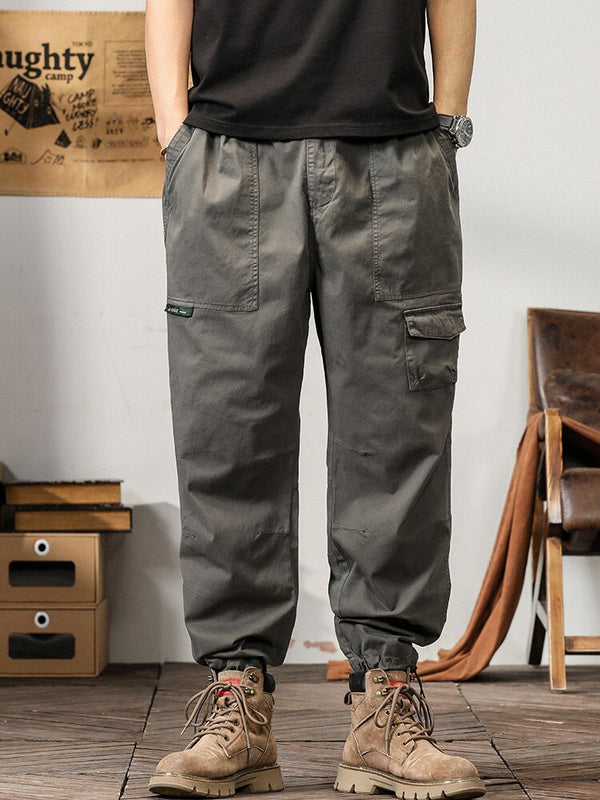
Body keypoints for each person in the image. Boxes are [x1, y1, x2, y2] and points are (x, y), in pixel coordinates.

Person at [145, 1, 484, 797]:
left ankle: (386, 701)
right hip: (226, 157)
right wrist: (176, 135)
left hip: (395, 154)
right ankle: (238, 699)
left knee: (398, 430)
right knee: (225, 428)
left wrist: (450, 119)